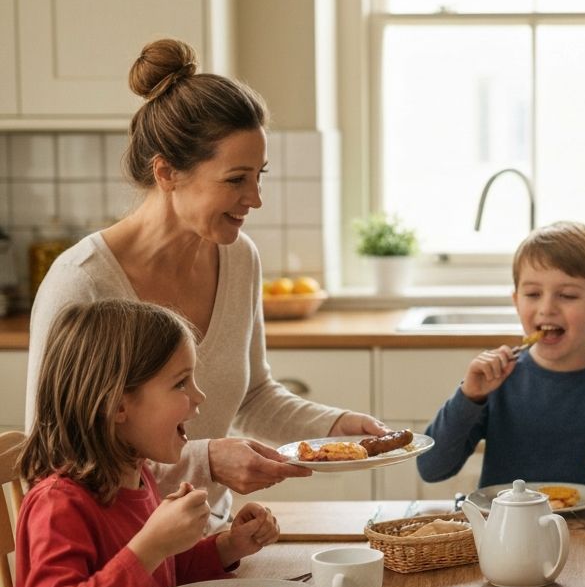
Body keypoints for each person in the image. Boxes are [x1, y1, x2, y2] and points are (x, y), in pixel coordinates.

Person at [25, 38, 387, 525]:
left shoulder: (238, 258)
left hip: (208, 544)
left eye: (260, 176)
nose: (254, 199)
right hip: (115, 555)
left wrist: (335, 427)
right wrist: (206, 460)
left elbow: (253, 395)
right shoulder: (82, 283)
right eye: (236, 179)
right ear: (167, 171)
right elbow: (53, 463)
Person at [10, 298, 282, 587]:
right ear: (117, 405)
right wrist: (150, 544)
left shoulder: (137, 474)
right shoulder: (59, 504)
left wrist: (224, 547)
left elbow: (159, 576)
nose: (198, 397)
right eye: (181, 383)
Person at [417, 221, 585, 505]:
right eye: (532, 294)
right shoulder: (496, 380)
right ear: (516, 301)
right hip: (507, 536)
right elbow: (431, 468)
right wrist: (469, 396)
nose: (546, 308)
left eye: (567, 295)